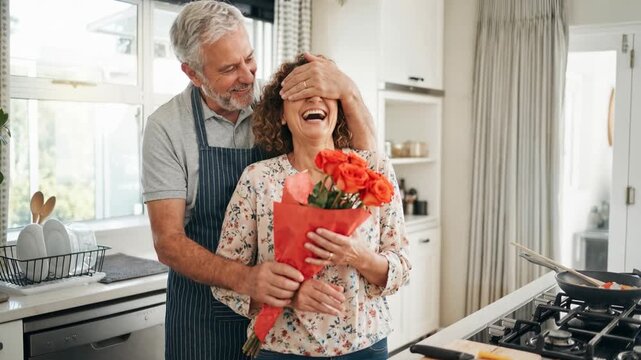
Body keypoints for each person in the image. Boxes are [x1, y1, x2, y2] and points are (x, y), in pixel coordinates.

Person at [141, 1, 376, 359]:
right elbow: (168, 242)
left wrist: (348, 91)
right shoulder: (166, 128)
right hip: (202, 314)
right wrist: (247, 280)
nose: (249, 76)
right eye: (230, 68)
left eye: (249, 58)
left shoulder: (276, 102)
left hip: (285, 317)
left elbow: (366, 164)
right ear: (193, 73)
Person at [212, 54, 410, 359]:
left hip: (365, 347)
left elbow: (402, 268)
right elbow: (225, 280)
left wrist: (357, 256)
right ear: (280, 115)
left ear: (338, 108)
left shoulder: (373, 169)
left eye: (324, 92)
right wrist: (289, 296)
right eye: (301, 94)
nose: (314, 98)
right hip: (280, 349)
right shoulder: (258, 179)